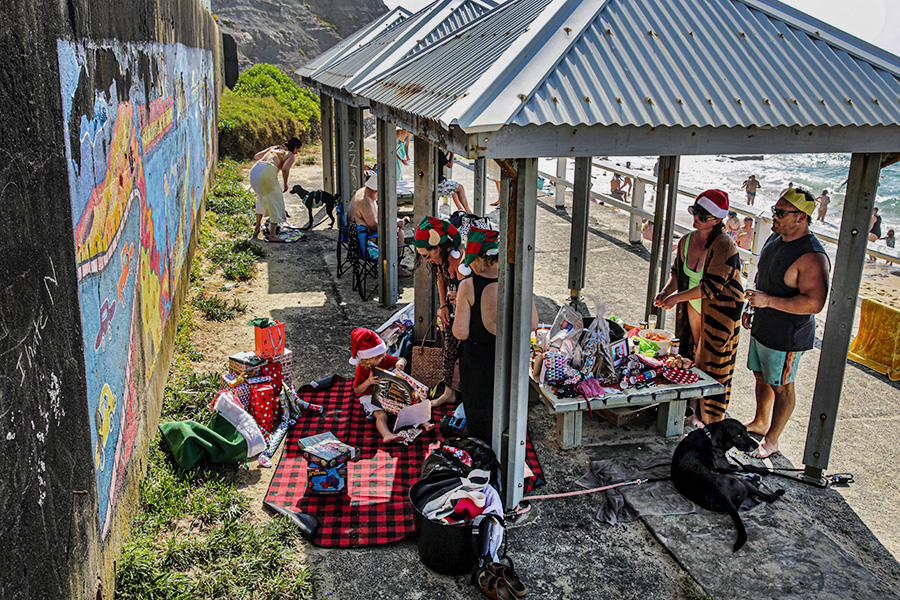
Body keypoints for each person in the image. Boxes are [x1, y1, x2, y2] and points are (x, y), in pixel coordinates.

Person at [743, 187, 830, 459]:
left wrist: (767, 301)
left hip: (787, 334)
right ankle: (760, 421)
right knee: (761, 376)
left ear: (801, 217)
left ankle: (772, 439)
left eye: (781, 213)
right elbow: (764, 275)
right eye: (774, 211)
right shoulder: (776, 237)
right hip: (763, 324)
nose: (774, 217)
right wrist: (753, 305)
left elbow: (814, 303)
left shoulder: (812, 256)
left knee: (782, 386)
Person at [654, 190, 743, 427]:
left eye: (703, 216)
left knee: (712, 362)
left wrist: (677, 299)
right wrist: (666, 292)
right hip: (692, 307)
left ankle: (710, 419)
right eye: (695, 212)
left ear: (717, 220)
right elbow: (676, 273)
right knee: (690, 356)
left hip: (719, 312)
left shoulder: (724, 244)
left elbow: (710, 287)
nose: (697, 218)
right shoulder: (686, 240)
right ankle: (691, 409)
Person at [452, 228, 538, 444]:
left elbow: (460, 332)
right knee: (508, 402)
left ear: (480, 259)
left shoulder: (468, 285)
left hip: (478, 360)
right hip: (510, 354)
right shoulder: (518, 280)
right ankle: (509, 444)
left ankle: (481, 450)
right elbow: (533, 323)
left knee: (480, 409)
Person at [413, 217, 465, 406]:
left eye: (427, 255)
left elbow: (469, 289)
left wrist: (459, 303)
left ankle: (457, 390)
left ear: (438, 247)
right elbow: (440, 278)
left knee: (460, 348)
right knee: (449, 345)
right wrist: (443, 305)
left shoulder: (459, 260)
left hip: (468, 309)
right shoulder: (440, 260)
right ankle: (449, 391)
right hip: (454, 307)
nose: (427, 260)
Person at [347, 172, 412, 277]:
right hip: (364, 239)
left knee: (395, 228)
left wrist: (393, 220)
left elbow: (376, 217)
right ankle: (396, 266)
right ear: (375, 191)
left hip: (359, 234)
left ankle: (395, 262)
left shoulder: (362, 191)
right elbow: (374, 225)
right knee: (399, 234)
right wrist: (393, 224)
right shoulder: (365, 202)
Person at [349, 328, 406, 444]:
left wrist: (400, 363)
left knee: (406, 403)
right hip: (369, 396)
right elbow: (357, 390)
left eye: (381, 356)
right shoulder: (362, 369)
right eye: (376, 359)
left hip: (385, 391)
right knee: (381, 415)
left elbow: (401, 359)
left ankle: (423, 423)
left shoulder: (383, 358)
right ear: (366, 359)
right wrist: (368, 382)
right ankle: (386, 434)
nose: (380, 360)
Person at [250, 138, 301, 241]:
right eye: (298, 150)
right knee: (276, 202)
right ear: (295, 148)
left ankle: (257, 227)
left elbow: (256, 157)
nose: (297, 152)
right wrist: (285, 183)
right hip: (267, 173)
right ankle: (272, 235)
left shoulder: (274, 148)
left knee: (262, 198)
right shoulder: (290, 155)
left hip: (255, 171)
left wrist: (269, 149)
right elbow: (286, 169)